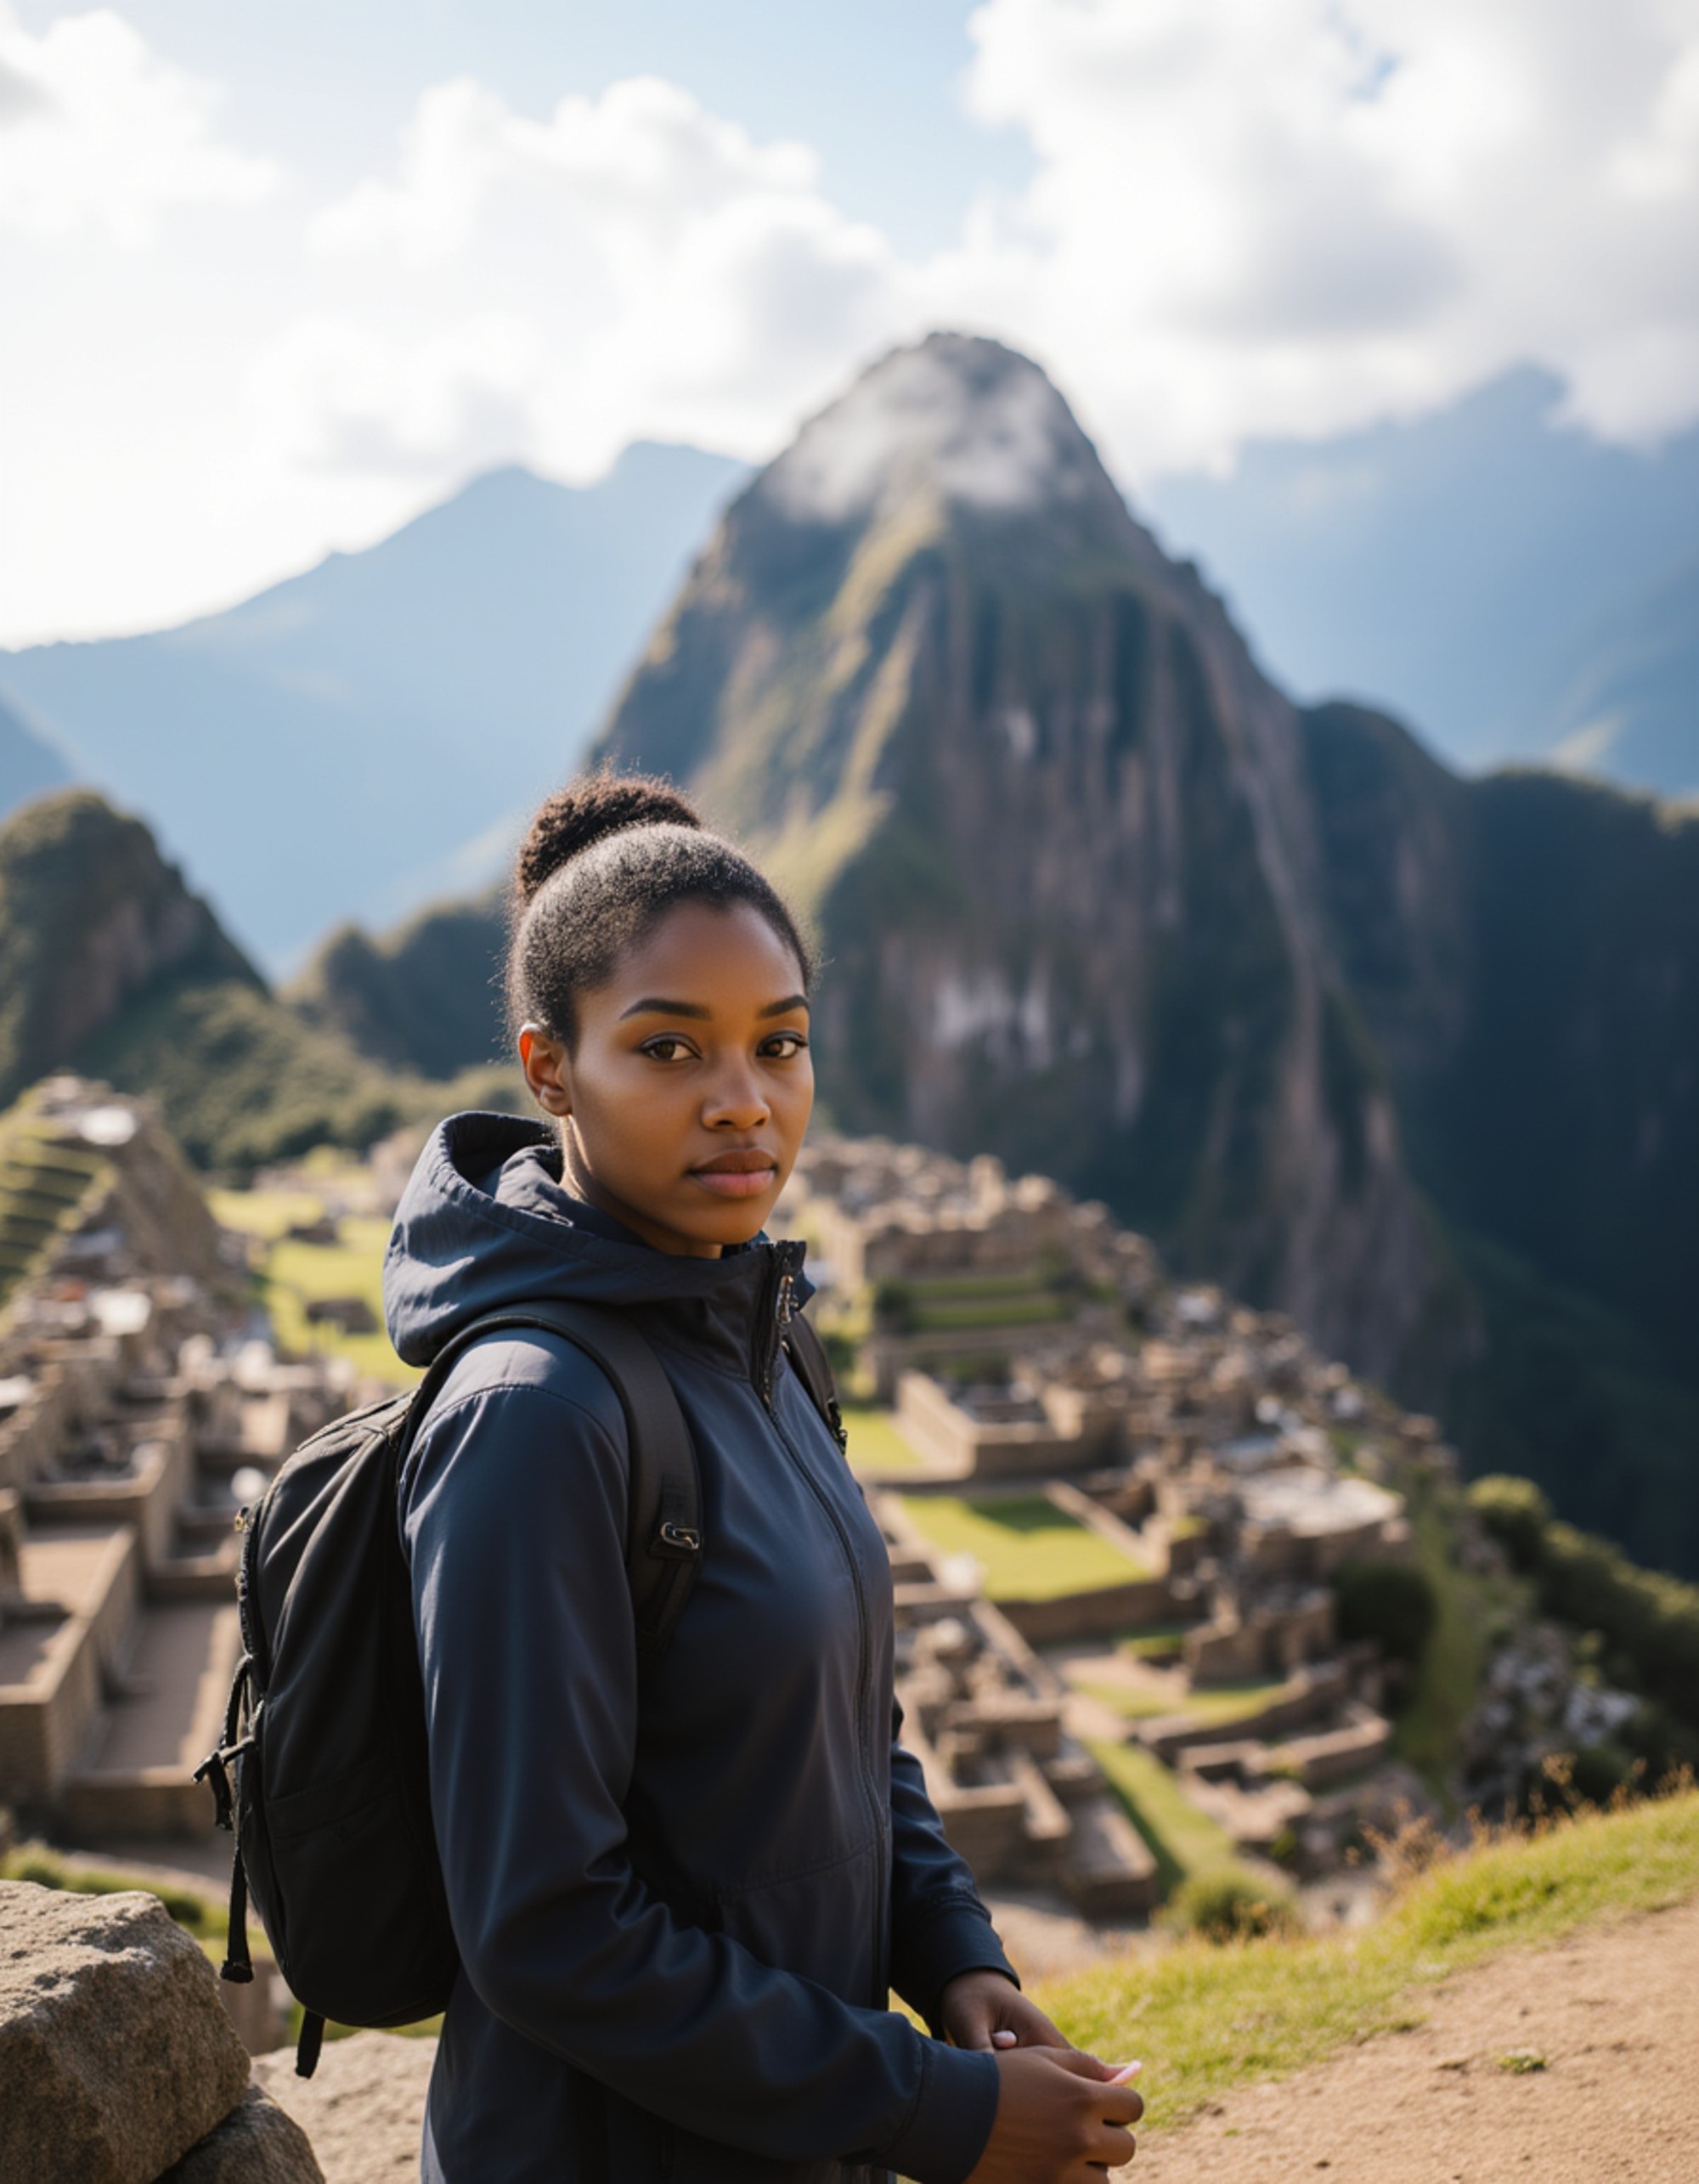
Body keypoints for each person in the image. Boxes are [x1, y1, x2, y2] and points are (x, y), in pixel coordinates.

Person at [382, 770, 1144, 2182]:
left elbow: (848, 1723)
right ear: (552, 1071)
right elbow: (545, 1925)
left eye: (779, 1046)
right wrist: (929, 2109)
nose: (745, 1104)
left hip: (792, 2132)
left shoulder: (757, 1333)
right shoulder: (536, 1416)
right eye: (671, 1051)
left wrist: (949, 1956)